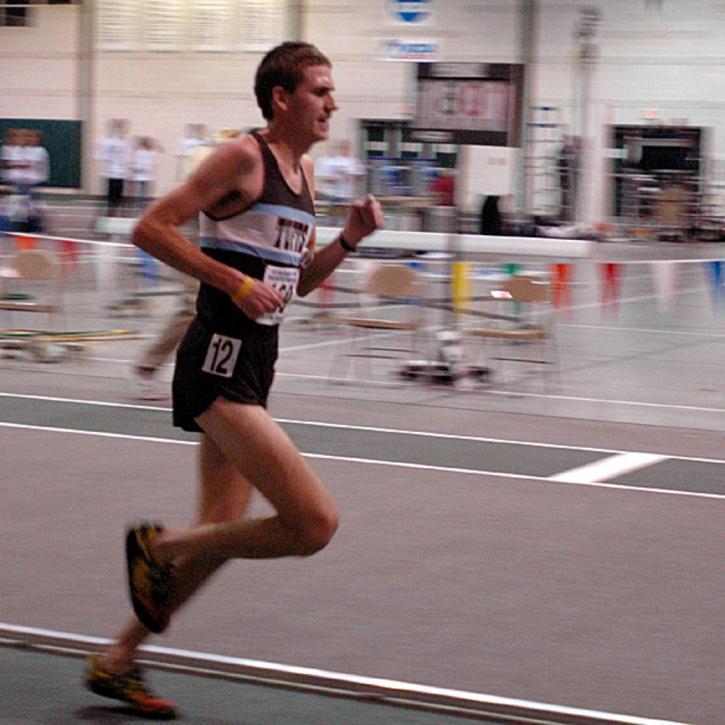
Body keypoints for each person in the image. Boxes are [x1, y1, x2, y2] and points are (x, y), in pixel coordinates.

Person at [85, 41, 384, 718]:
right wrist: (231, 279)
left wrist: (348, 240)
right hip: (215, 359)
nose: (332, 103)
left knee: (222, 533)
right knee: (312, 523)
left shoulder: (302, 176)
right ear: (282, 98)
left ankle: (117, 660)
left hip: (257, 361)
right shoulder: (241, 156)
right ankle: (156, 546)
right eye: (320, 91)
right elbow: (150, 227)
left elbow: (295, 284)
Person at [96, 119, 131, 216]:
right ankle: (109, 215)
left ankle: (114, 215)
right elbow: (100, 156)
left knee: (118, 197)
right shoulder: (106, 142)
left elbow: (127, 158)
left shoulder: (125, 143)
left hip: (120, 174)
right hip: (110, 173)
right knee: (110, 197)